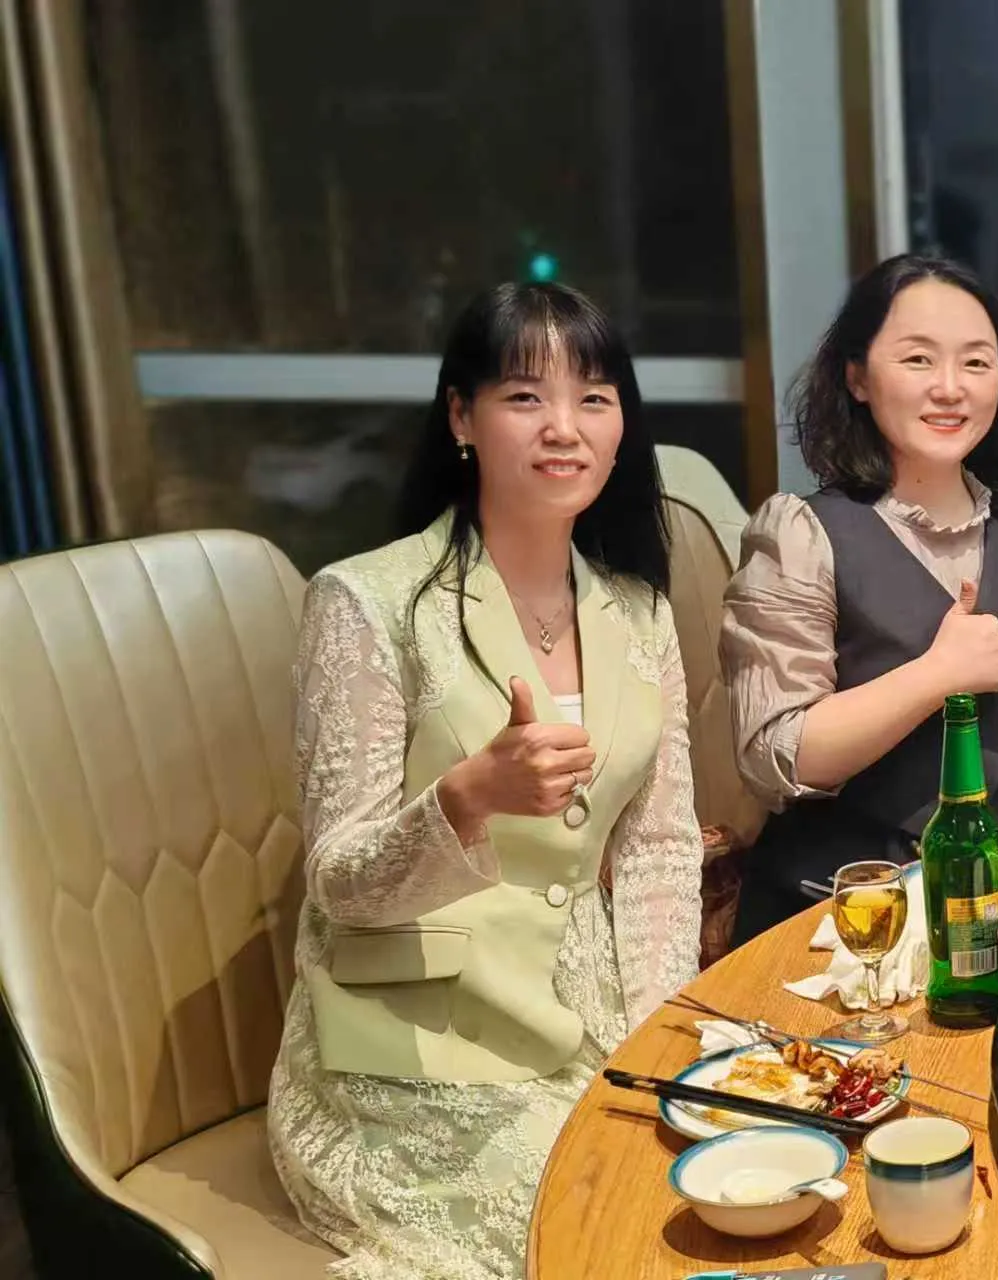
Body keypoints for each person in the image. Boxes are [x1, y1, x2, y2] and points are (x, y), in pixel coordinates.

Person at [270, 283, 703, 1278]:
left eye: (594, 398)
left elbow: (660, 847)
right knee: (594, 1238)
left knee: (728, 1185)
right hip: (409, 1051)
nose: (564, 427)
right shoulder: (366, 601)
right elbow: (339, 884)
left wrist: (659, 1045)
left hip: (589, 1022)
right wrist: (468, 795)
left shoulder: (639, 610)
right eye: (524, 396)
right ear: (461, 417)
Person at [722, 255, 998, 940]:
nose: (950, 388)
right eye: (918, 359)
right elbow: (776, 756)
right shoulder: (801, 532)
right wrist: (935, 675)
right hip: (836, 920)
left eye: (976, 363)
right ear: (858, 378)